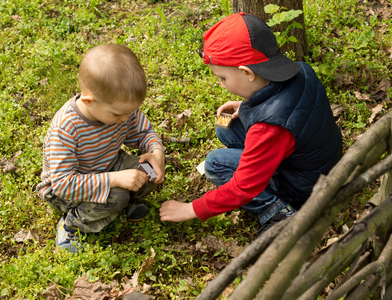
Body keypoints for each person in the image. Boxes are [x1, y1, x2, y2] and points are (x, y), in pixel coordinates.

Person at [159, 13, 342, 232]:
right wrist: (245, 106)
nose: (222, 84)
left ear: (247, 73)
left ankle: (278, 211)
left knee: (214, 164)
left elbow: (243, 187)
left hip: (305, 186)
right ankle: (260, 163)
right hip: (316, 161)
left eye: (222, 78)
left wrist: (192, 209)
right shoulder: (302, 69)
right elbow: (292, 106)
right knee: (224, 125)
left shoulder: (270, 127)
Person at [37, 44, 165, 252]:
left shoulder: (120, 109)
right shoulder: (67, 128)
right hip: (68, 190)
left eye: (131, 112)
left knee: (148, 172)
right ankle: (72, 224)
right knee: (117, 196)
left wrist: (157, 152)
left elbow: (144, 132)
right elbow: (62, 184)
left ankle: (123, 203)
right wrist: (115, 179)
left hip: (107, 164)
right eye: (117, 115)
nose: (125, 119)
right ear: (89, 101)